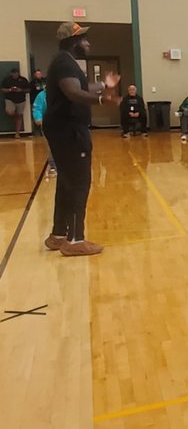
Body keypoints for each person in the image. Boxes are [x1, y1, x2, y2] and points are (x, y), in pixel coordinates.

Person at [42, 22, 120, 256]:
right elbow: (73, 92)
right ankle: (75, 241)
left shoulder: (65, 62)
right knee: (79, 182)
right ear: (73, 41)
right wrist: (101, 100)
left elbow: (83, 86)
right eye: (84, 39)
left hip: (62, 129)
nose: (88, 43)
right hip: (69, 131)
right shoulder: (65, 62)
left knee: (67, 181)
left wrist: (104, 85)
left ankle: (58, 235)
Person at [31, 87, 56, 177]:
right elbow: (37, 108)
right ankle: (53, 166)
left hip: (63, 123)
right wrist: (38, 118)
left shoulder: (64, 92)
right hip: (47, 123)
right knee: (50, 145)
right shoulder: (41, 95)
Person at [1, 66, 29, 137]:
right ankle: (16, 115)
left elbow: (29, 90)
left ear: (18, 73)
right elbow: (2, 89)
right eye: (13, 74)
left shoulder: (23, 80)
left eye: (16, 73)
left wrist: (21, 90)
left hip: (21, 100)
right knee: (9, 112)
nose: (15, 75)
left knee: (19, 115)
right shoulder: (7, 80)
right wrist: (10, 90)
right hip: (10, 99)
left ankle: (17, 134)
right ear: (11, 74)